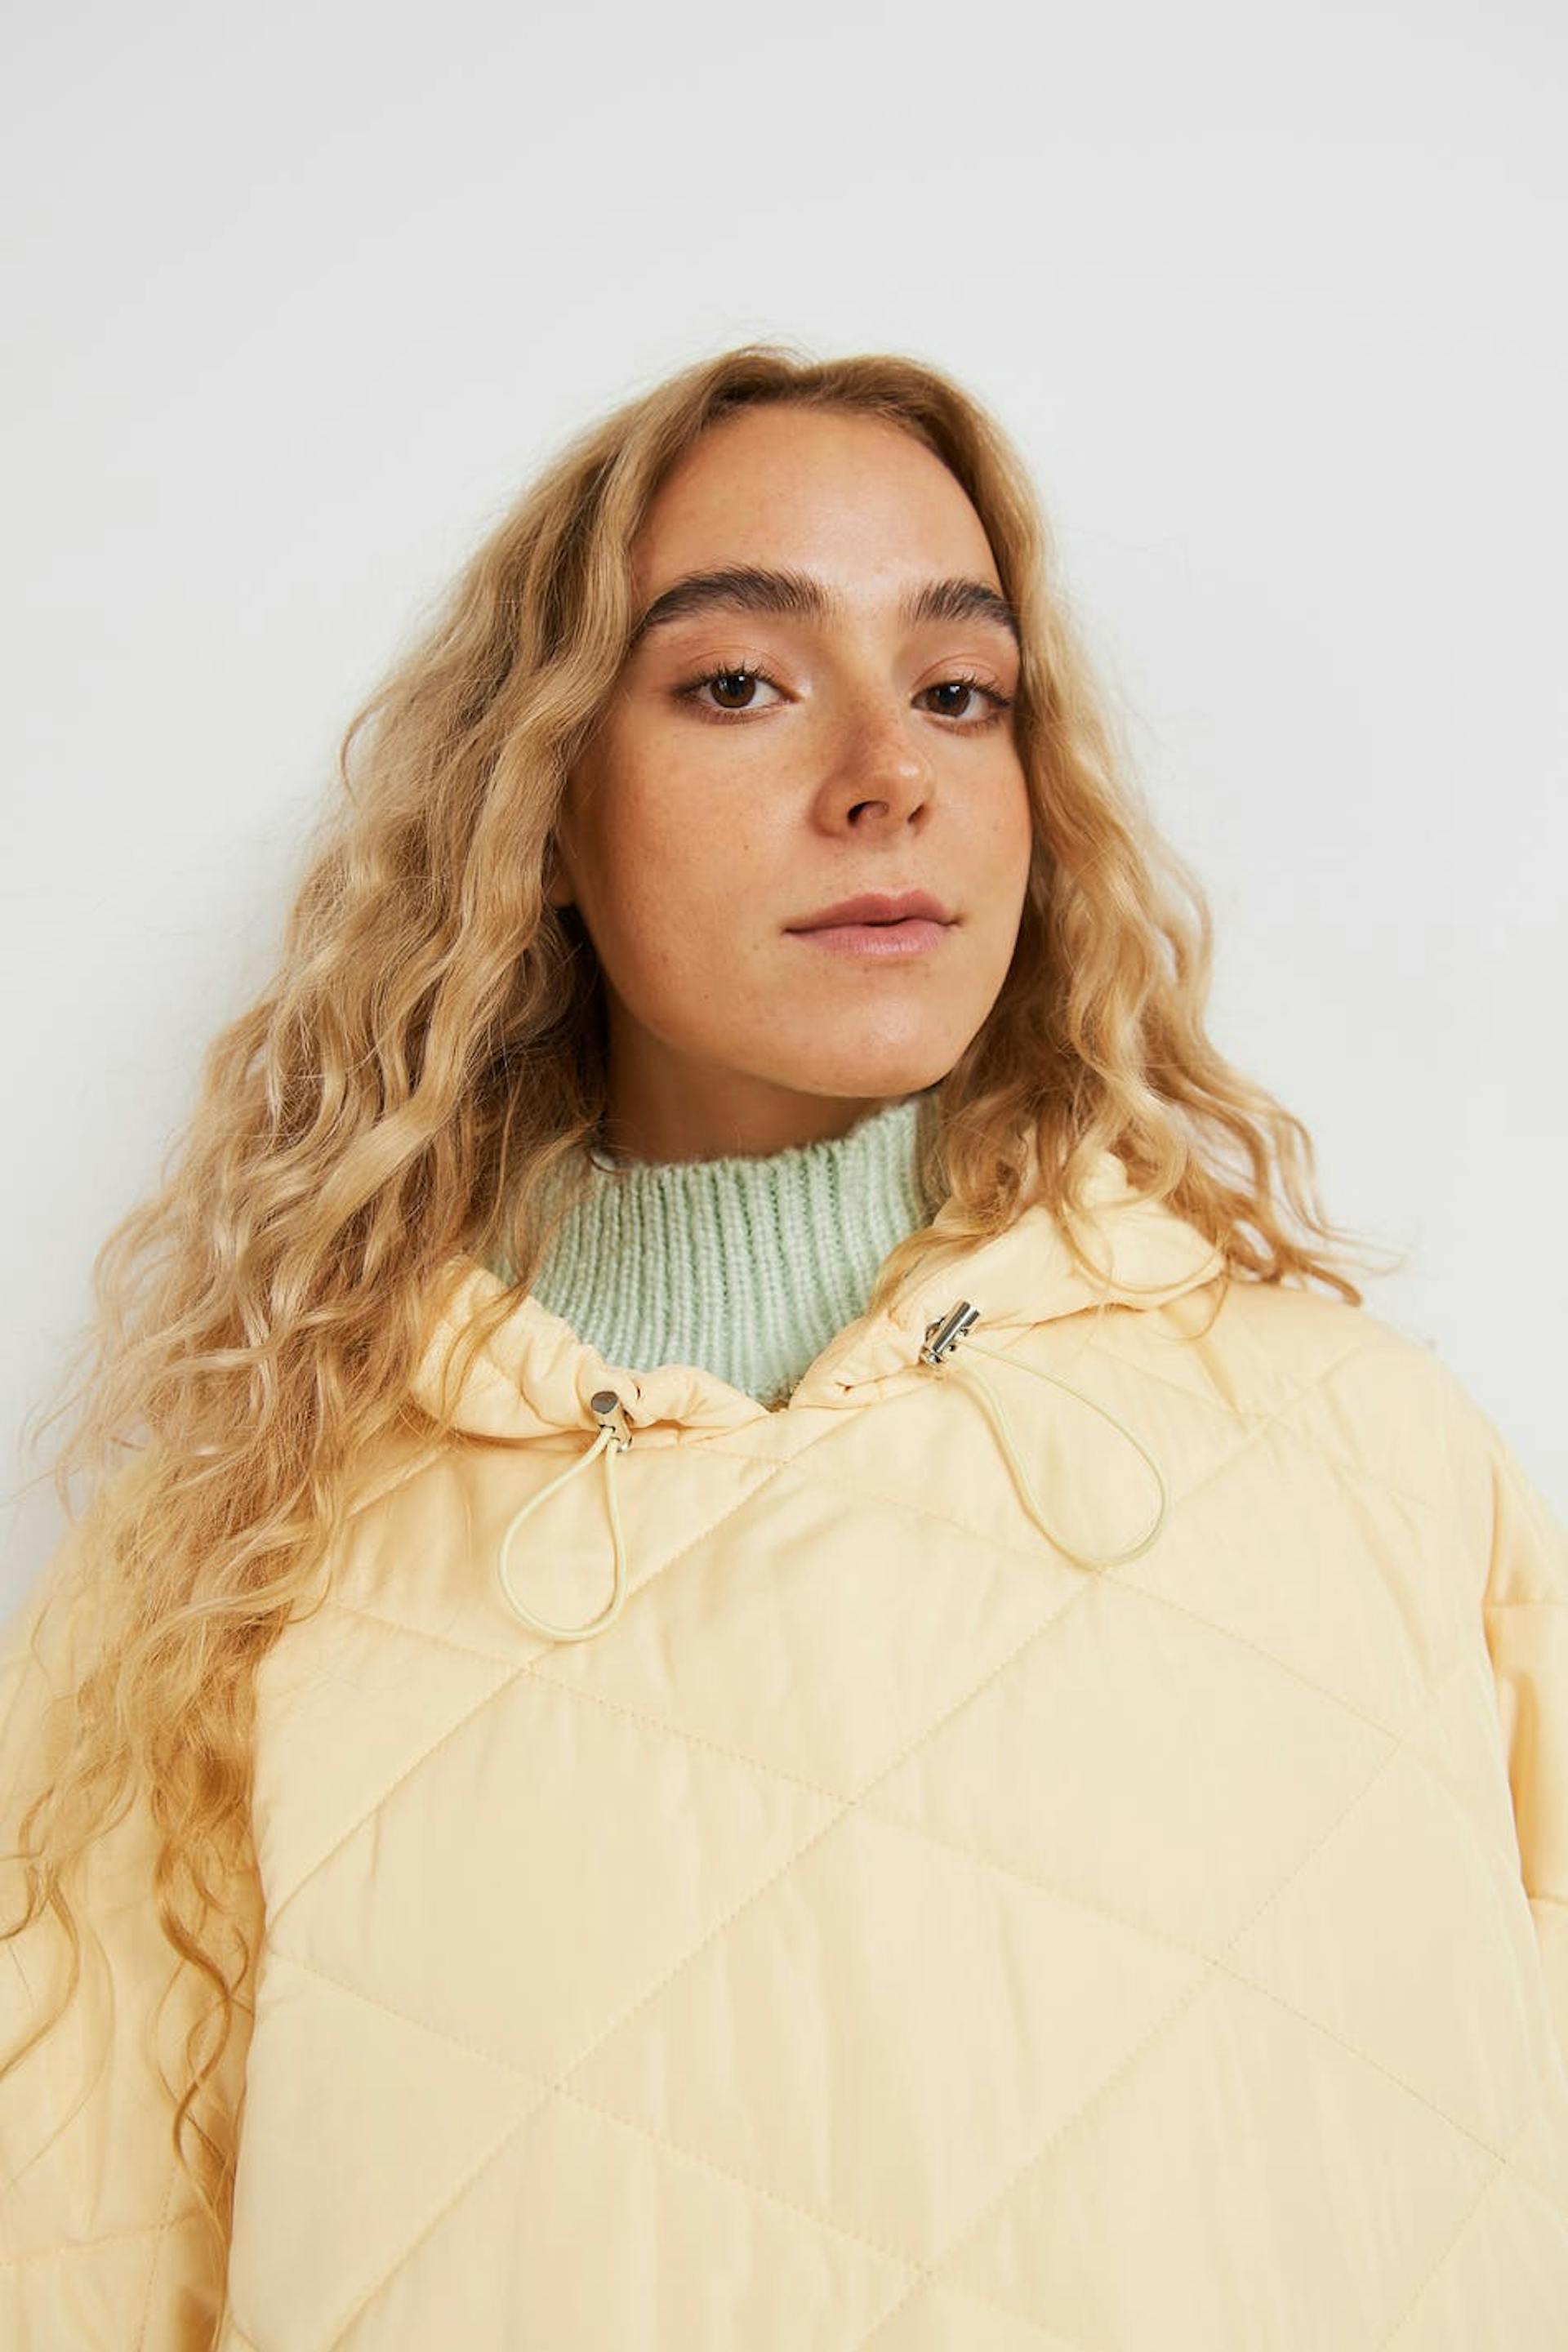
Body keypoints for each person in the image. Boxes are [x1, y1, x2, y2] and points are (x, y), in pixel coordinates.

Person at [2, 341, 1565, 2350]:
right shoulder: (222, 1572)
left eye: (960, 690)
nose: (886, 773)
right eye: (740, 681)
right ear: (541, 804)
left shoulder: (1373, 1459)